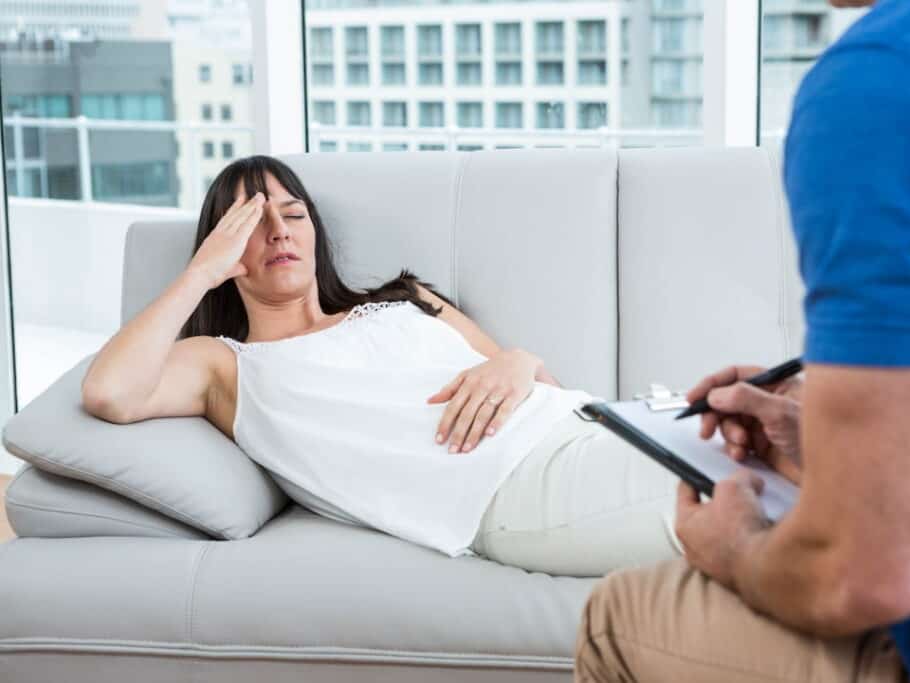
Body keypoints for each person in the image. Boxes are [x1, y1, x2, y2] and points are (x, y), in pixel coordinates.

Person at [575, 0, 910, 681]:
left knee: (617, 615)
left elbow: (873, 572)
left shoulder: (889, 83)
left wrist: (737, 549)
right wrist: (831, 438)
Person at [80, 154, 684, 577]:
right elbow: (110, 393)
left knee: (765, 426)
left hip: (584, 424)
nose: (278, 232)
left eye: (292, 215)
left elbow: (530, 380)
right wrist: (200, 273)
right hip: (508, 492)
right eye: (251, 223)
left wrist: (518, 361)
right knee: (741, 490)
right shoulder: (224, 365)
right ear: (221, 245)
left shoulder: (406, 300)